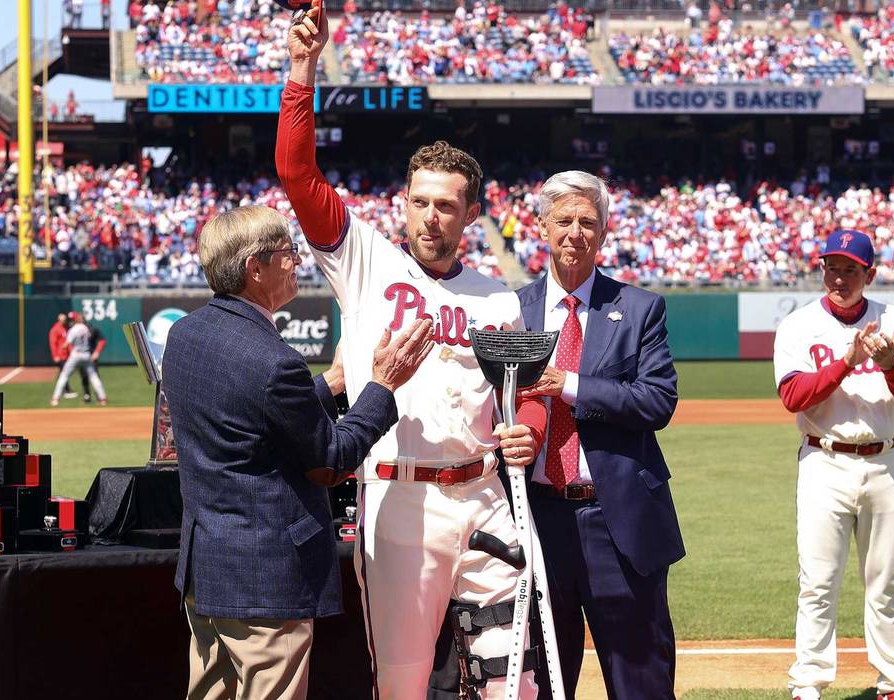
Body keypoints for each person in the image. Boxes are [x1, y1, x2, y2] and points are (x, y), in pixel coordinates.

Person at [278, 2, 548, 696]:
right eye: (421, 202)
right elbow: (298, 177)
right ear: (402, 204)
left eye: (447, 205)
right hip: (400, 500)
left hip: (486, 493)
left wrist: (530, 432)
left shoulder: (497, 294)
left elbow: (528, 397)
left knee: (510, 678)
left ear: (471, 214)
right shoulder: (364, 260)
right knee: (401, 683)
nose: (432, 216)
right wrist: (301, 71)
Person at [162, 206, 435, 700]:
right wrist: (382, 386)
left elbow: (248, 418)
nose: (297, 262)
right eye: (288, 252)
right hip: (266, 581)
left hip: (208, 567)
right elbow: (331, 461)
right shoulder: (274, 361)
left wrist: (330, 384)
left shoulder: (185, 335)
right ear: (255, 268)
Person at [514, 171, 684, 699]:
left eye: (588, 222)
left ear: (605, 233)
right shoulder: (508, 310)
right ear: (541, 226)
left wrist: (572, 386)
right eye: (563, 220)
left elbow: (658, 401)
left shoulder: (639, 309)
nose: (575, 232)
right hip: (535, 519)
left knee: (640, 680)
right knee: (540, 680)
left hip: (618, 522)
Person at [773, 229, 894, 700]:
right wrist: (847, 361)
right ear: (821, 270)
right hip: (824, 461)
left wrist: (889, 363)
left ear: (869, 274)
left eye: (850, 269)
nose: (839, 278)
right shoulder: (798, 325)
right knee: (817, 580)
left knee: (885, 582)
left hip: (886, 461)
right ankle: (809, 683)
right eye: (831, 267)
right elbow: (793, 396)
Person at [49, 312, 107, 406]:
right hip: (86, 354)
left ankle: (55, 398)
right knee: (93, 376)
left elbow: (67, 344)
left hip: (76, 354)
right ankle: (102, 398)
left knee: (64, 376)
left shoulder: (73, 329)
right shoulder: (85, 328)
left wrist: (62, 348)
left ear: (75, 320)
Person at [49, 313, 79, 399]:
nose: (65, 321)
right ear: (59, 320)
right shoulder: (55, 329)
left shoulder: (65, 328)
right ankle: (67, 391)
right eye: (63, 319)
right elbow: (53, 343)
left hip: (66, 355)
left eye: (65, 319)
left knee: (64, 373)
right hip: (60, 355)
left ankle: (62, 390)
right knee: (64, 372)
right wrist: (55, 355)